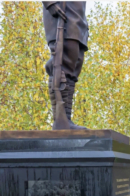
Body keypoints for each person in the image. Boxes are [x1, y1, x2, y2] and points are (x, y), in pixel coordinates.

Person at [42, 1, 89, 129]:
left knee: (74, 67)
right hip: (62, 11)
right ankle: (60, 120)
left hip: (78, 16)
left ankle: (66, 119)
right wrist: (50, 3)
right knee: (62, 63)